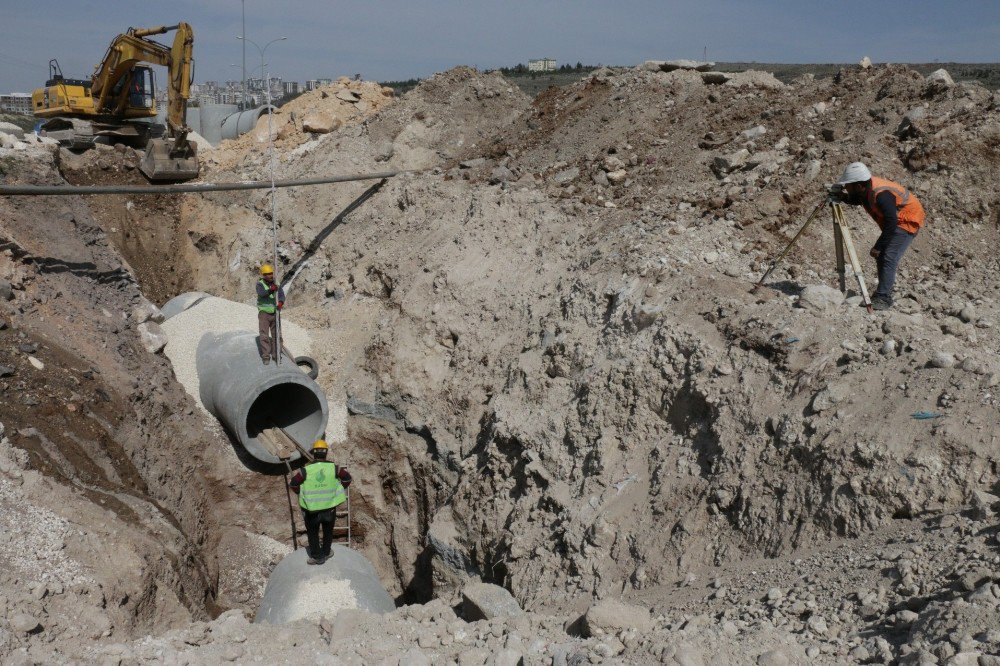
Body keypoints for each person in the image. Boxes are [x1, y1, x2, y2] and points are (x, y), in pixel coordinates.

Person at [835, 162, 925, 311]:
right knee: (883, 255)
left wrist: (878, 246)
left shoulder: (882, 194)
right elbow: (861, 200)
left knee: (888, 255)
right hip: (896, 221)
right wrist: (844, 197)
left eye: (848, 186)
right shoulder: (865, 188)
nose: (846, 188)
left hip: (907, 220)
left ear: (858, 186)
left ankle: (883, 297)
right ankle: (882, 293)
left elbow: (891, 222)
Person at [289, 440, 352, 565]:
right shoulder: (334, 468)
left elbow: (293, 484)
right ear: (326, 452)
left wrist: (301, 493)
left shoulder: (306, 470)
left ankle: (317, 557)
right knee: (328, 532)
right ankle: (327, 552)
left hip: (312, 510)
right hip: (330, 509)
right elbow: (347, 478)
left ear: (314, 452)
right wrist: (339, 488)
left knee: (313, 534)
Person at [256, 264, 285, 364]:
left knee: (277, 335)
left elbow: (281, 294)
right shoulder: (260, 284)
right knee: (264, 335)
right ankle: (266, 357)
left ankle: (276, 355)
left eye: (271, 273)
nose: (270, 275)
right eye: (267, 274)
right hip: (264, 313)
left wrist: (281, 302)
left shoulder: (276, 283)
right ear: (263, 275)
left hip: (275, 312)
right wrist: (271, 290)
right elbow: (262, 294)